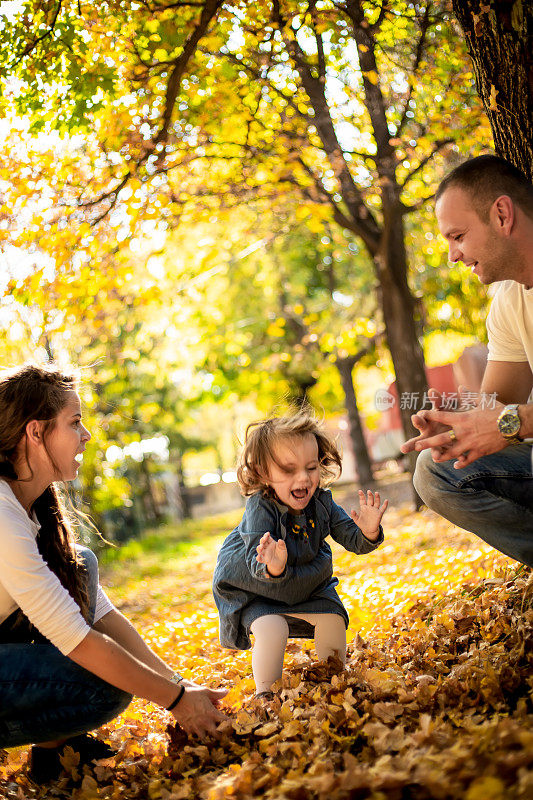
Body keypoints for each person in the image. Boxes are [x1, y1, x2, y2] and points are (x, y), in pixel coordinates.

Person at [0, 363, 227, 784]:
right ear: (35, 432)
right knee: (101, 685)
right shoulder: (1, 514)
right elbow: (79, 641)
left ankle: (56, 750)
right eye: (74, 422)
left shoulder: (30, 505)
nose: (85, 434)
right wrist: (176, 701)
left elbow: (101, 614)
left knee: (79, 562)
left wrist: (180, 686)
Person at [401, 154, 533, 567]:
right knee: (434, 471)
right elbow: (495, 404)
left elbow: (506, 419)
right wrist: (457, 424)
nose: (453, 255)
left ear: (501, 214)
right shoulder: (511, 301)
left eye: (458, 235)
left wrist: (512, 422)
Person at [212, 407, 388, 696]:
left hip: (307, 586)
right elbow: (255, 556)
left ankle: (334, 681)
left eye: (311, 467)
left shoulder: (323, 503)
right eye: (289, 469)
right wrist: (273, 565)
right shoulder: (261, 508)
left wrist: (367, 532)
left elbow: (351, 538)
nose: (303, 478)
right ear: (262, 473)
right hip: (260, 589)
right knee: (272, 629)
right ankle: (265, 695)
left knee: (333, 621)